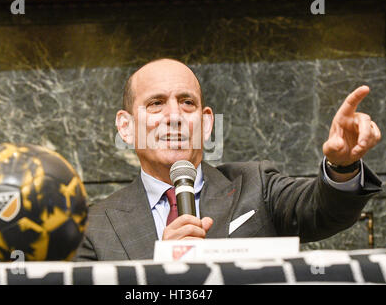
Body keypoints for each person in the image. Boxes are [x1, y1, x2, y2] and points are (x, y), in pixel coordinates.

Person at [76, 58, 383, 261]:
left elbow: (324, 211)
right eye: (156, 104)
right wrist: (160, 271)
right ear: (126, 127)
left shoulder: (256, 185)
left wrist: (342, 166)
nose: (174, 117)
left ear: (206, 123)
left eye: (187, 103)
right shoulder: (93, 226)